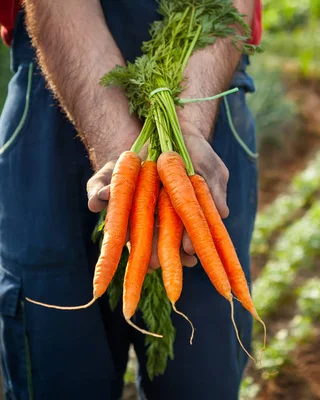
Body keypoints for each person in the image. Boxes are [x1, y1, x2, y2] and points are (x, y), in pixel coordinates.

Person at [0, 0, 261, 398]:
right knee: (59, 369)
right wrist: (126, 163)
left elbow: (226, 6)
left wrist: (187, 125)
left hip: (206, 87)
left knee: (202, 377)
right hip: (56, 81)